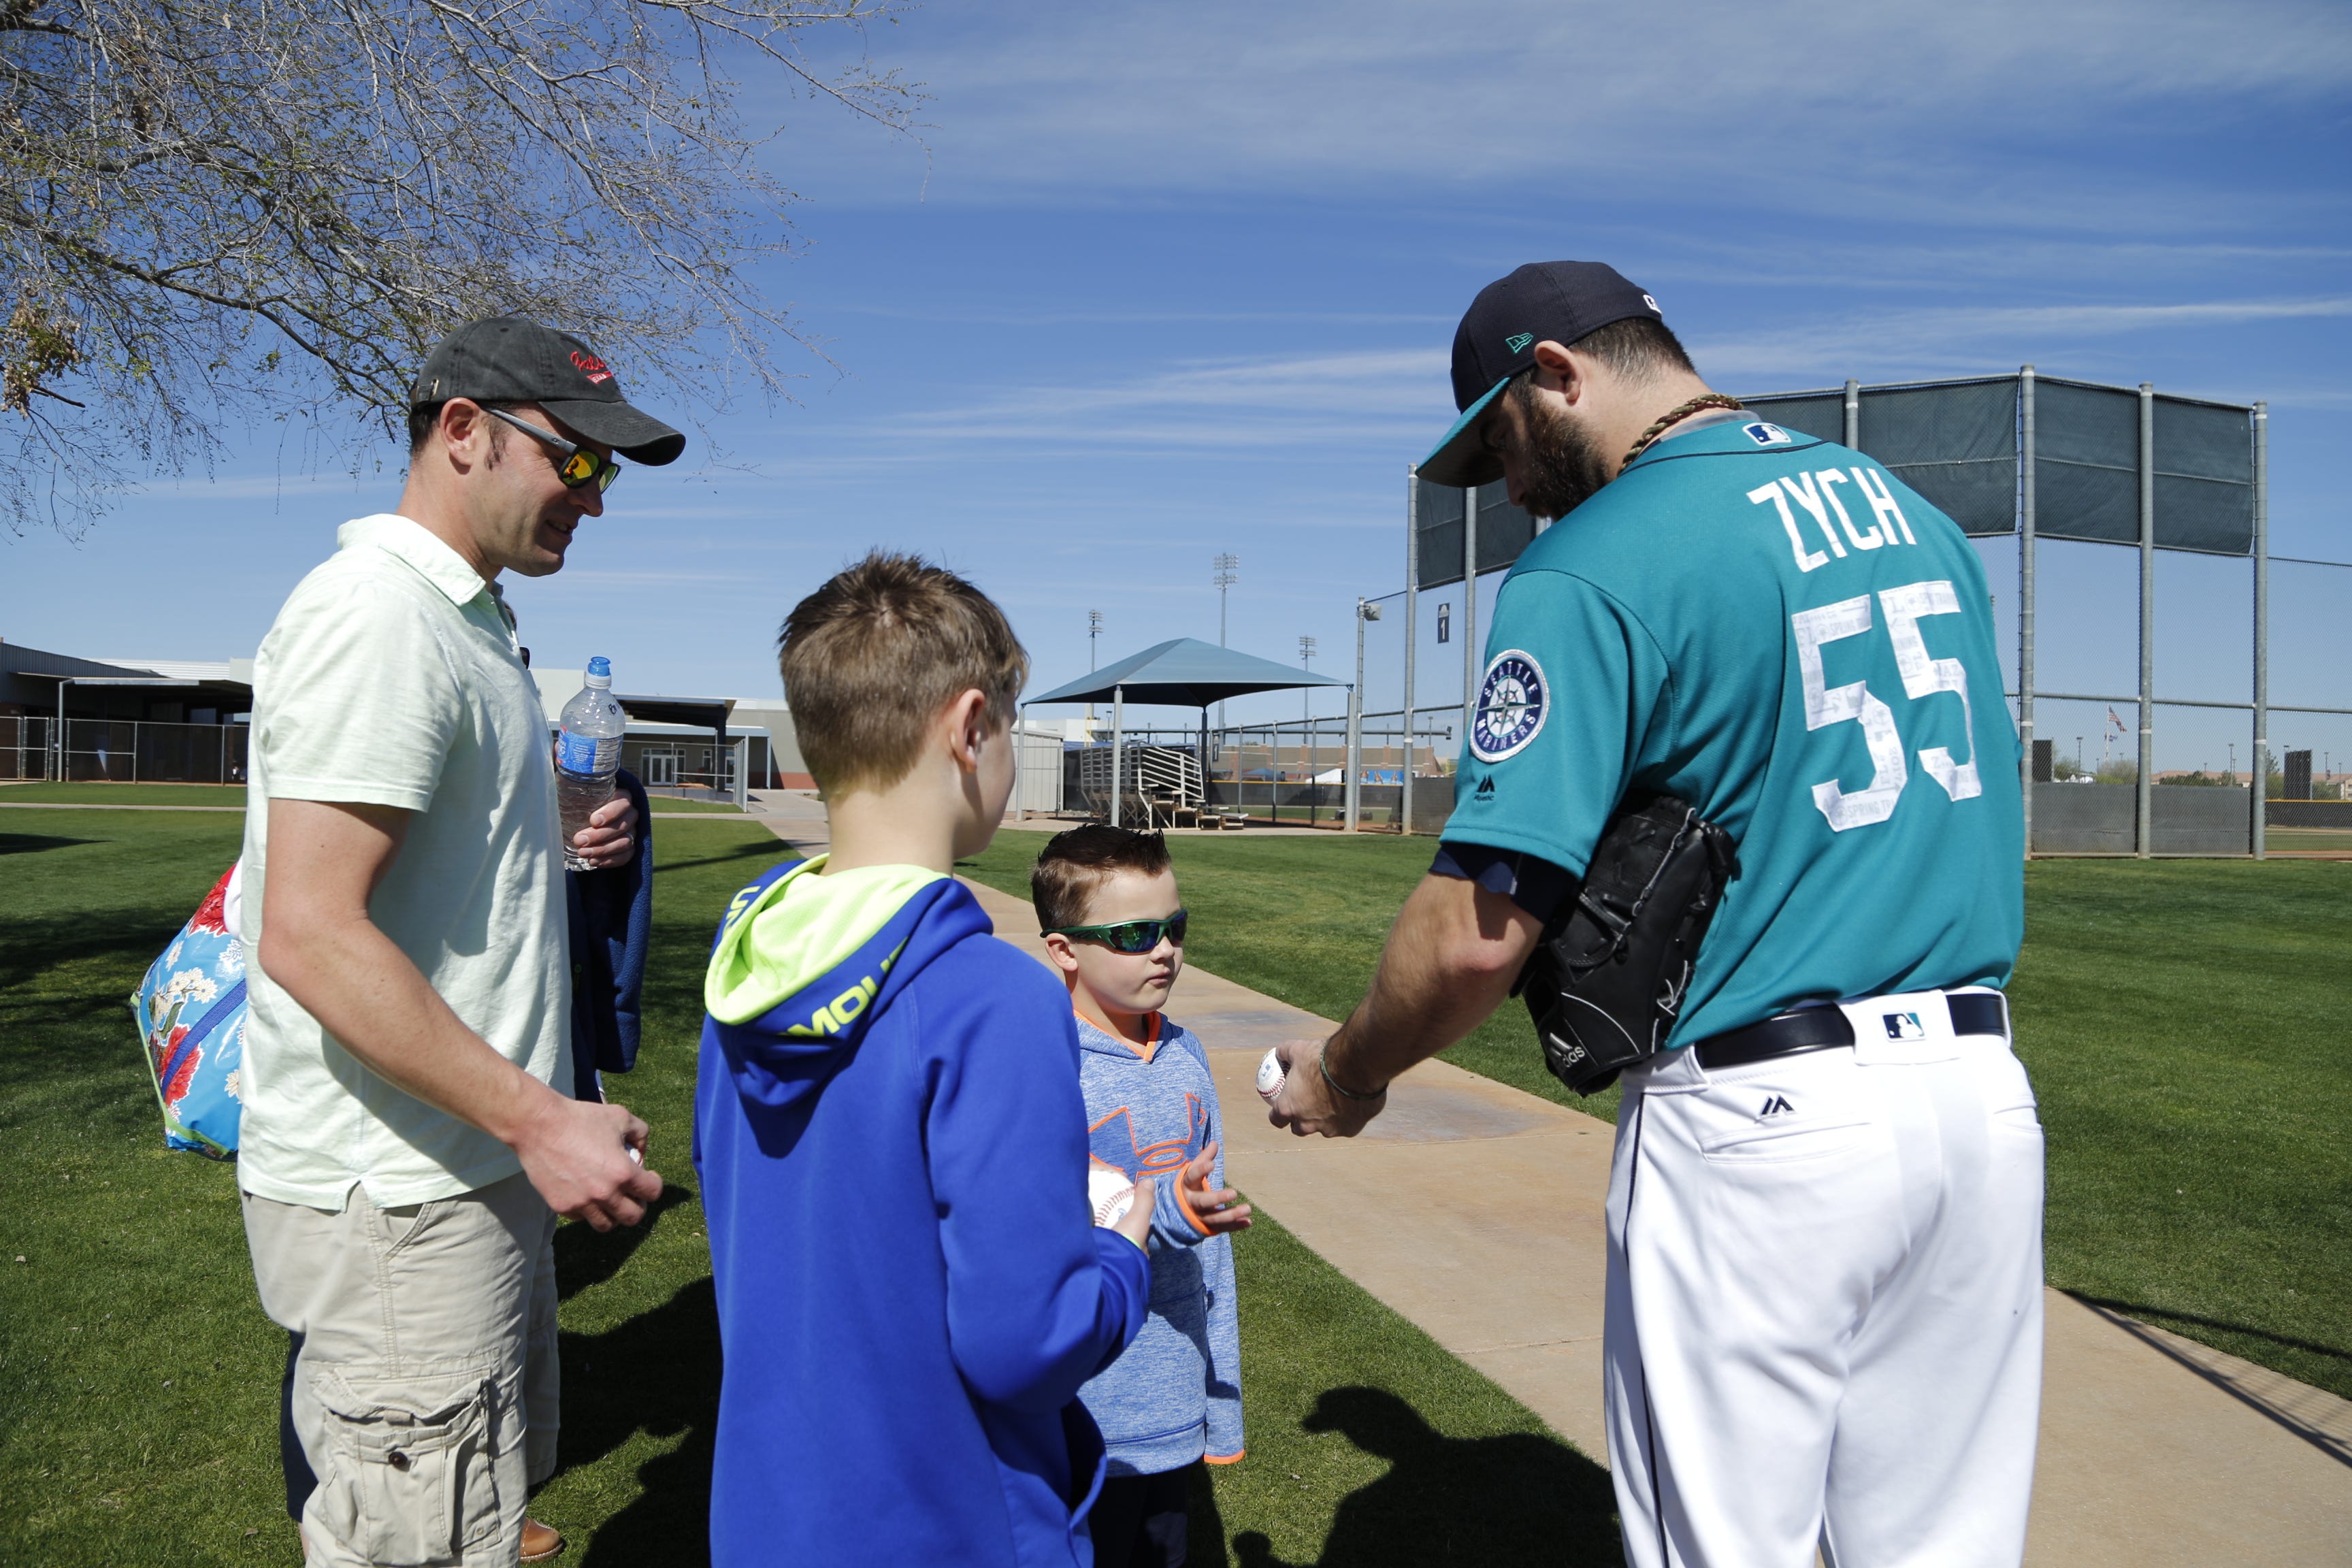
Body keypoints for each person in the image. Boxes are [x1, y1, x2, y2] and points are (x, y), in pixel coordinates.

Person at [1266, 261, 2038, 1568]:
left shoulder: (1598, 558)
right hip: (1979, 1102)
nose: (1511, 490)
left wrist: (1346, 1074)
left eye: (1501, 440)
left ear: (1558, 370)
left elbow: (1474, 929)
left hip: (1763, 1127)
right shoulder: (1910, 513)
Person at [238, 316, 681, 1566]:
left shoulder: (469, 618)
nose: (594, 500)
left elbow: (420, 843)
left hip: (460, 1170)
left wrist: (552, 819)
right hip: (400, 1195)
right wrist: (542, 1119)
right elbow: (312, 933)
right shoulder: (381, 617)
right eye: (576, 461)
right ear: (463, 431)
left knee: (467, 1520)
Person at [695, 552, 1159, 1567]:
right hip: (947, 1517)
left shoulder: (746, 966)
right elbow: (1022, 1340)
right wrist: (1121, 1254)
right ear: (971, 728)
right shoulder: (992, 997)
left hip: (772, 1513)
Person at [1032, 825, 1251, 1568]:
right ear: (1064, 949)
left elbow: (1213, 1258)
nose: (1164, 949)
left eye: (1174, 927)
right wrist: (1168, 1212)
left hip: (1175, 1394)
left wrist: (1219, 1398)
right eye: (1134, 934)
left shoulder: (1186, 1053)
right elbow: (1044, 1228)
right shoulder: (1041, 1066)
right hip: (1082, 1405)